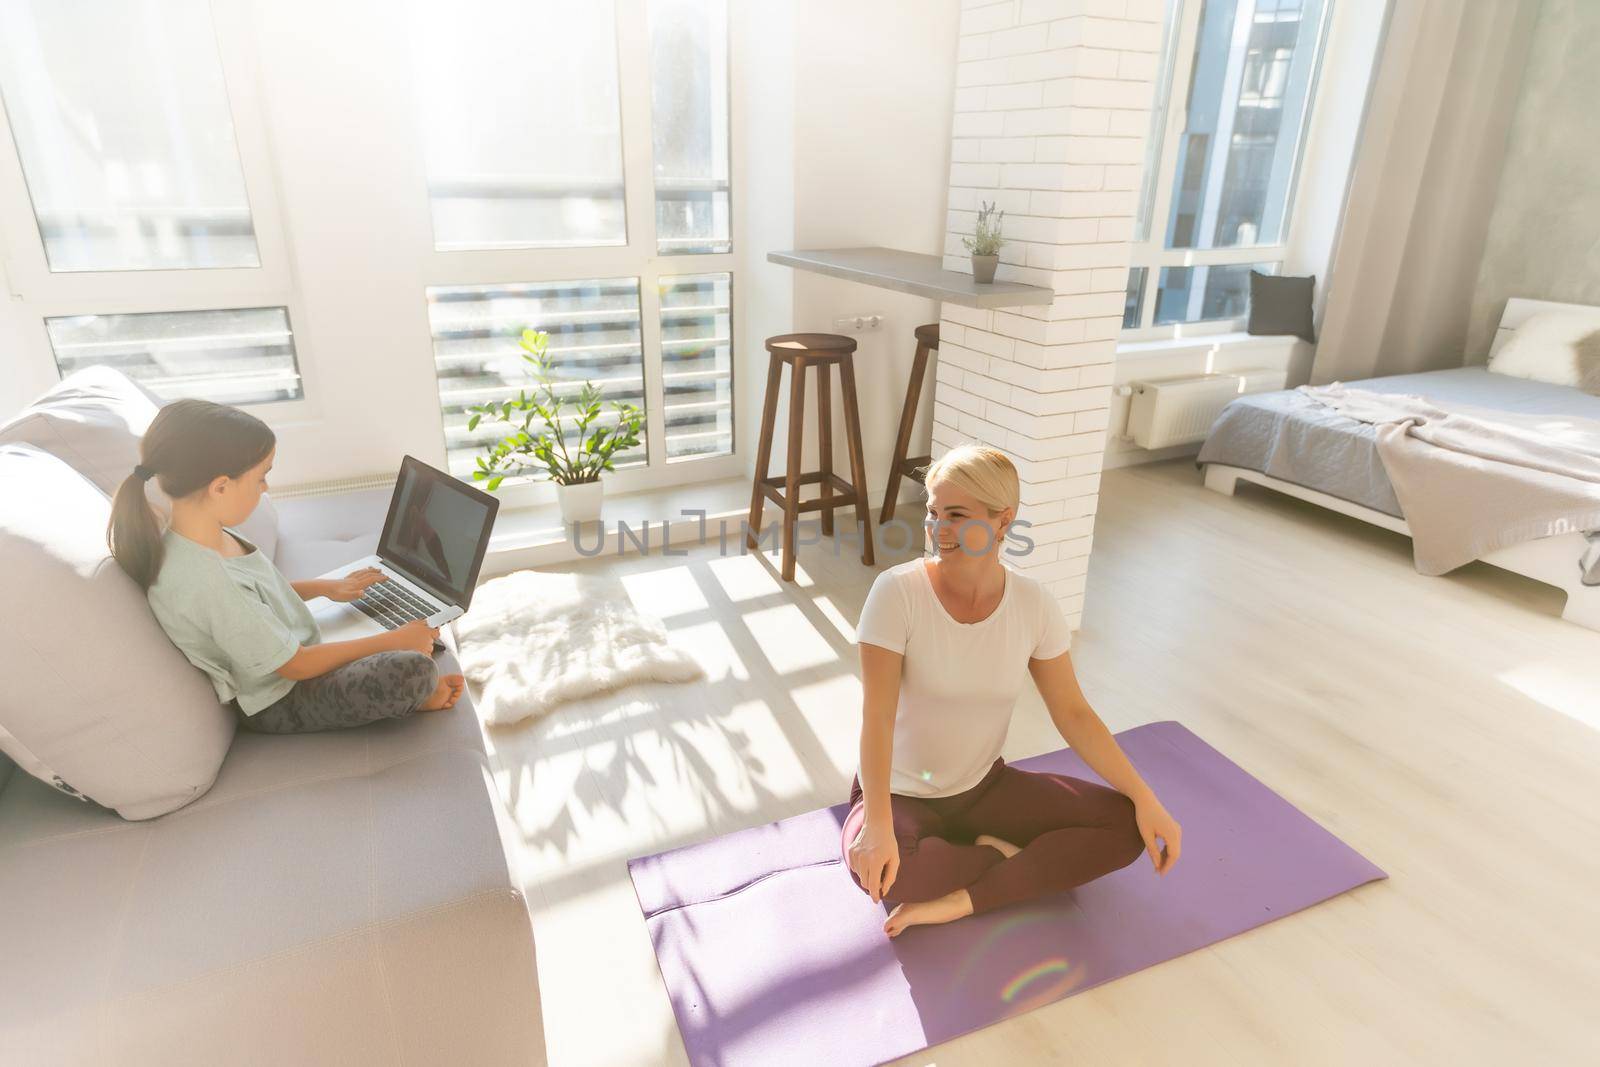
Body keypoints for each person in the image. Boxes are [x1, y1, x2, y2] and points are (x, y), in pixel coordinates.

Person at [842, 444, 1182, 937]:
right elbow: (876, 719)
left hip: (983, 787)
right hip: (898, 794)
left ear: (1003, 522)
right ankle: (1003, 859)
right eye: (933, 513)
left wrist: (1146, 798)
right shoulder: (897, 594)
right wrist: (876, 826)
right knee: (885, 873)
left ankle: (963, 899)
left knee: (1126, 826)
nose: (938, 529)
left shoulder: (1033, 604)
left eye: (956, 515)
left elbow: (1074, 713)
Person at [108, 398, 465, 734]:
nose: (265, 487)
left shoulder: (202, 539)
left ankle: (402, 649)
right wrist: (391, 640)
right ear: (220, 487)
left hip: (292, 652)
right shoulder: (206, 580)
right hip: (281, 697)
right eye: (261, 476)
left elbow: (257, 598)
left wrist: (326, 588)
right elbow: (296, 665)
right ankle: (417, 693)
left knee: (401, 635)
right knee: (412, 672)